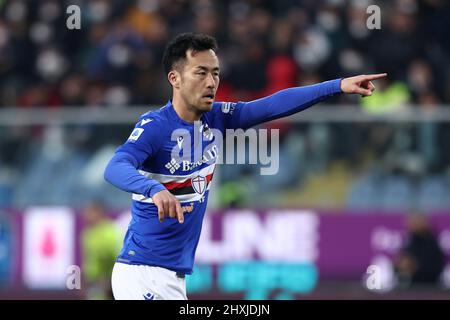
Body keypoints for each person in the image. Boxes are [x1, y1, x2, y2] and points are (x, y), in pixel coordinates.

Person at [104, 33, 387, 300]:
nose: (211, 82)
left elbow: (273, 105)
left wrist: (336, 86)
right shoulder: (155, 126)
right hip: (142, 274)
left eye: (215, 73)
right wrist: (152, 188)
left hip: (169, 276)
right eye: (201, 73)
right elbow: (116, 166)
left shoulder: (216, 118)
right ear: (174, 78)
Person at [81, 201, 122, 300]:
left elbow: (118, 258)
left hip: (107, 285)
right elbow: (89, 261)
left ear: (99, 212)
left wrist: (109, 280)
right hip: (93, 285)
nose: (86, 215)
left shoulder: (110, 232)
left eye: (90, 211)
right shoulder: (87, 233)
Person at [394, 213, 445, 289]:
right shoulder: (409, 243)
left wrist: (414, 267)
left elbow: (436, 269)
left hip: (430, 289)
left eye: (415, 221)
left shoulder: (432, 244)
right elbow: (399, 270)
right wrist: (398, 266)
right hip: (409, 289)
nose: (411, 224)